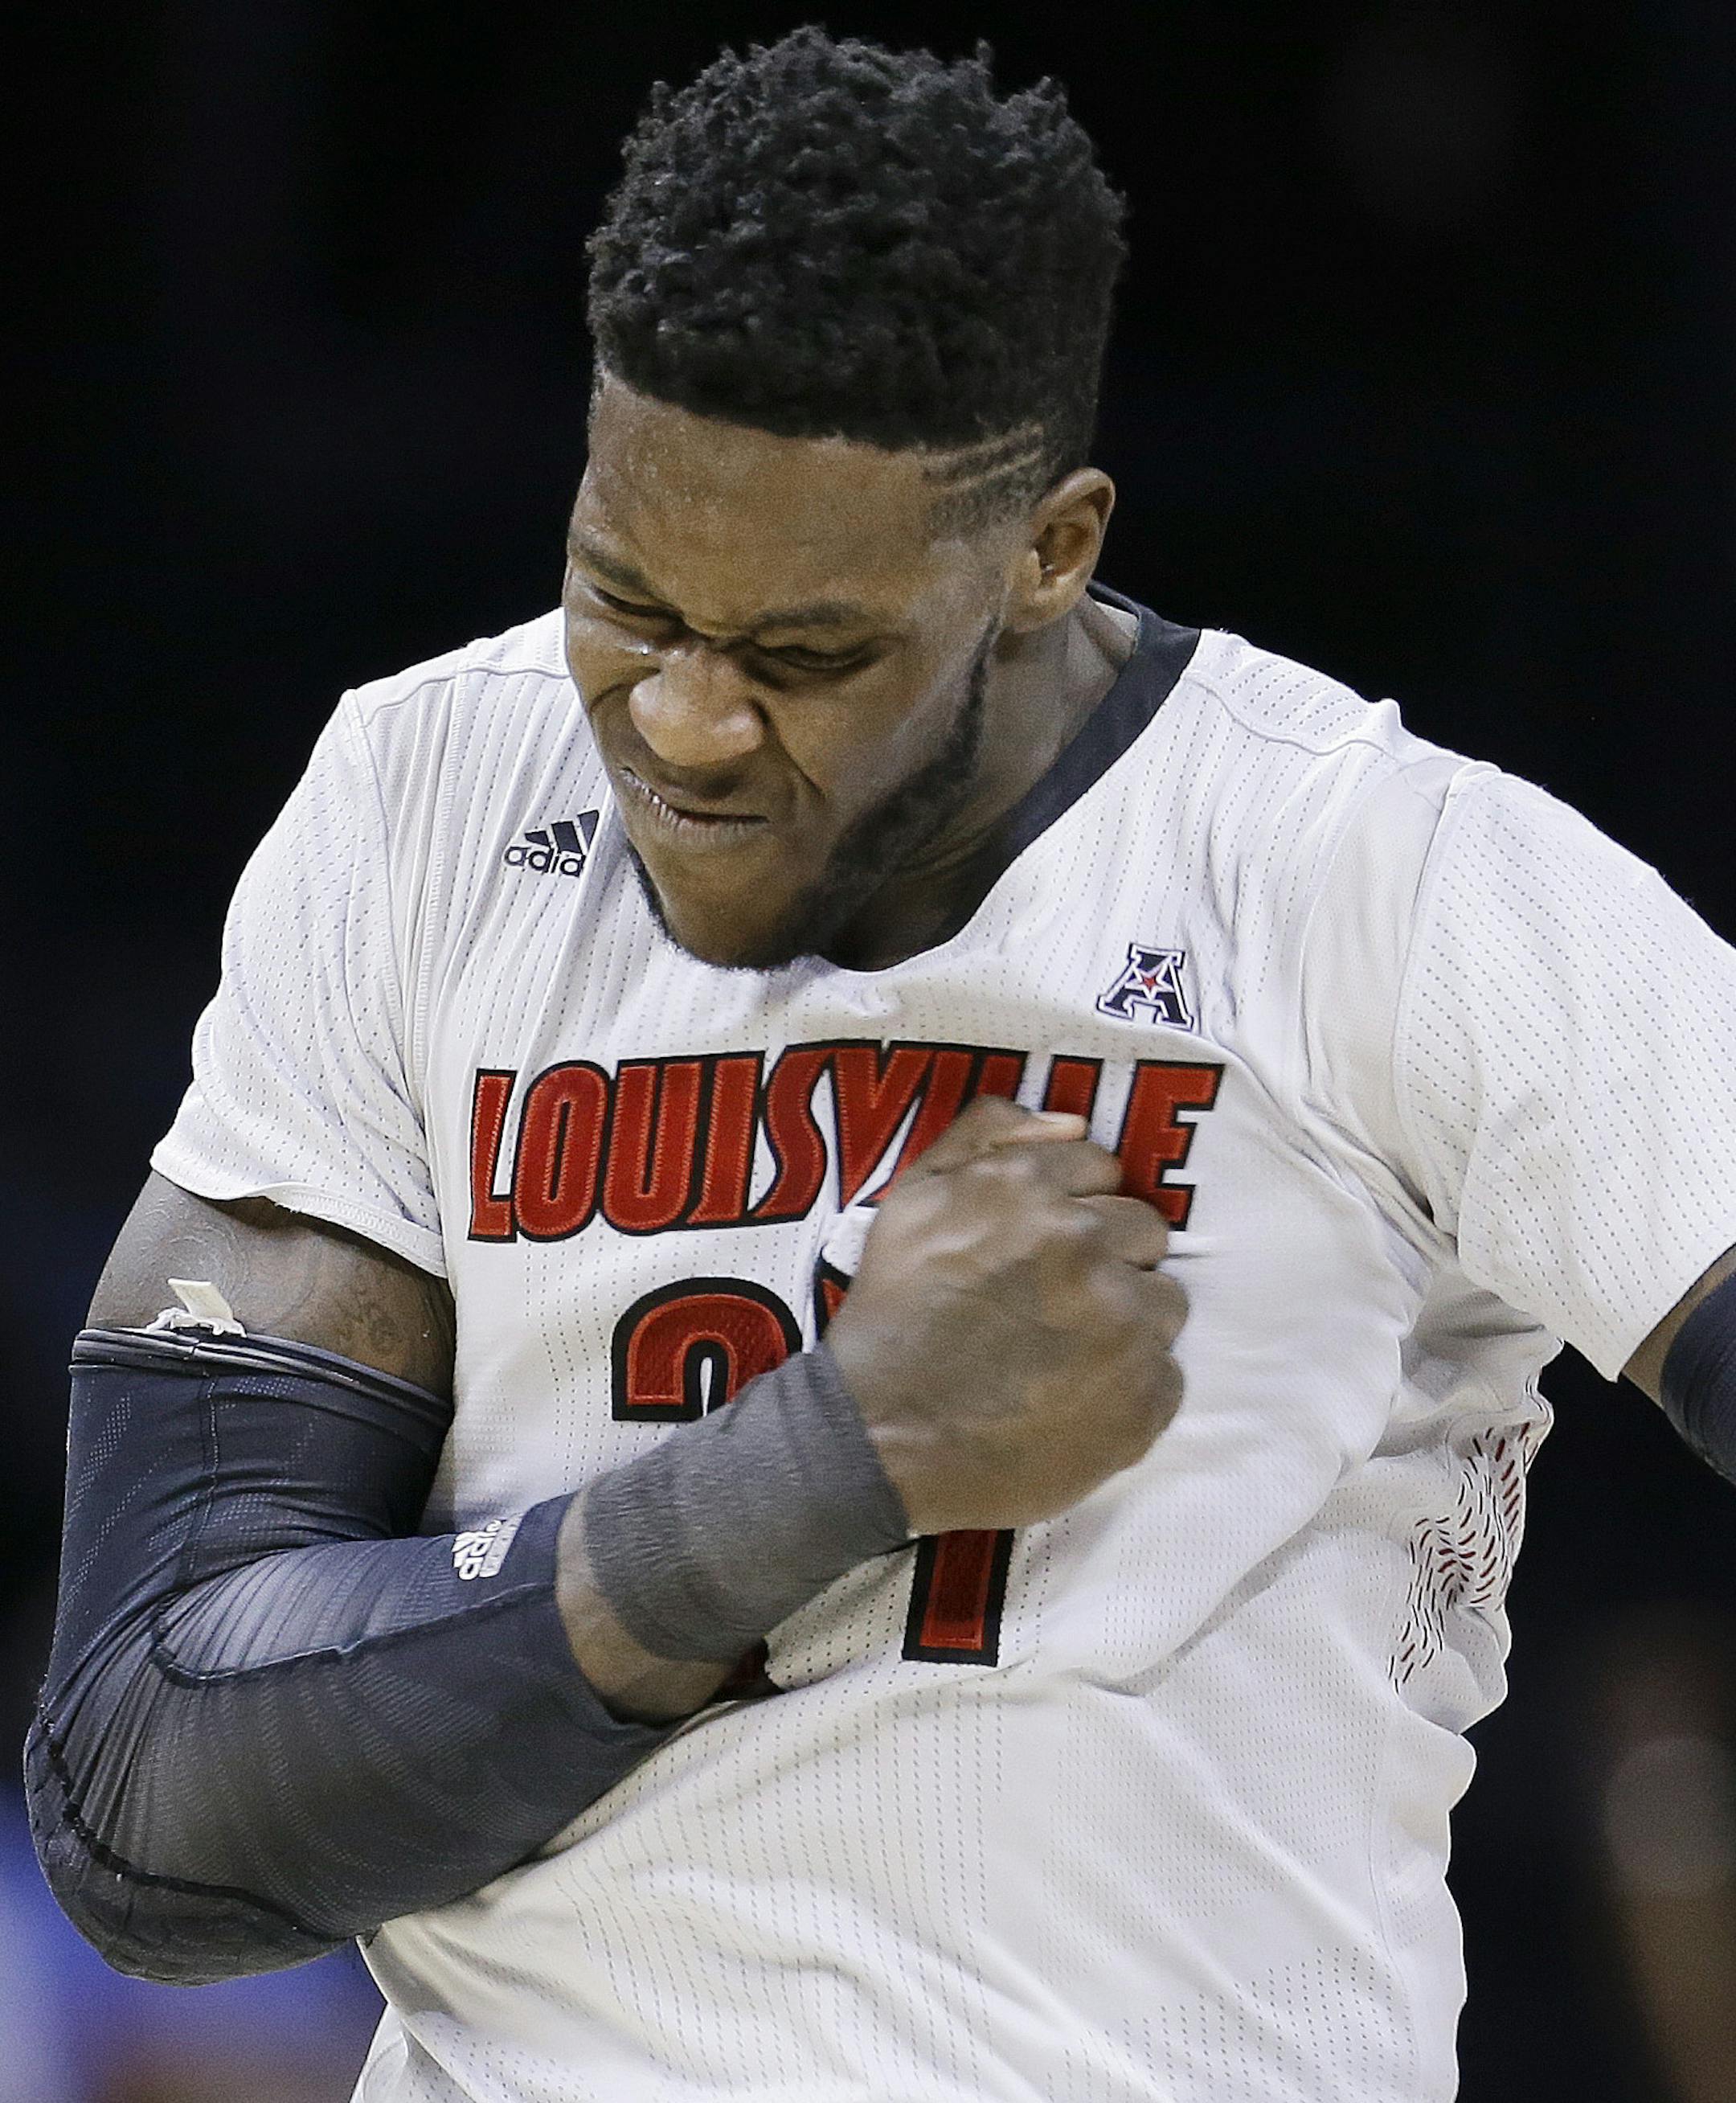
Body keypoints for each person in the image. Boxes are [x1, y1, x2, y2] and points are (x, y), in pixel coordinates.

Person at [27, 27, 1736, 2103]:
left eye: (801, 653)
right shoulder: (425, 813)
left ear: (1048, 554)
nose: (682, 719)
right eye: (624, 596)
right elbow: (147, 1793)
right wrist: (818, 1465)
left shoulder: (1367, 877)